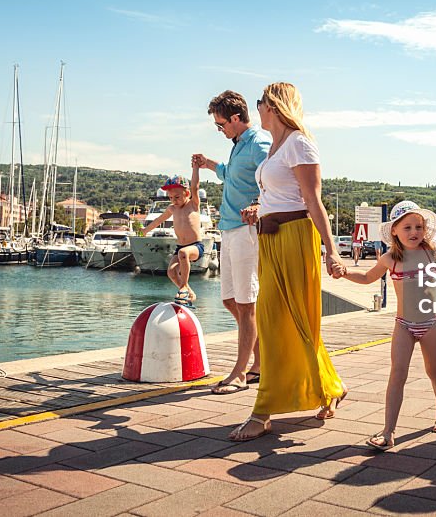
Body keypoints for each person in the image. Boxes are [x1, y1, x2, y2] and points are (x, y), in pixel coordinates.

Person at [228, 82, 347, 442]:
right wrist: (258, 210)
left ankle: (263, 411)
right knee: (280, 319)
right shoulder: (276, 148)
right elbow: (281, 194)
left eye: (260, 102)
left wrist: (332, 249)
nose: (257, 109)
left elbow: (313, 201)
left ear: (274, 106)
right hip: (270, 239)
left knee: (289, 320)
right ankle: (330, 386)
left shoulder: (299, 142)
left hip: (296, 239)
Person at [343, 200, 436, 451]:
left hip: (430, 323)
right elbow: (366, 277)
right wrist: (344, 273)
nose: (414, 232)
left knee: (434, 371)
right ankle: (388, 431)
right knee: (397, 375)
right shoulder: (389, 259)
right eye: (407, 227)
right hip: (403, 325)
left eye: (418, 227)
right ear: (394, 230)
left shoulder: (430, 254)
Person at [193, 90, 271, 395]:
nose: (220, 129)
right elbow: (234, 175)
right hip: (229, 228)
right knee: (229, 300)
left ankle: (241, 372)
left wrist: (260, 204)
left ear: (236, 119)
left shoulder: (259, 143)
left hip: (246, 230)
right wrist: (210, 164)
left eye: (221, 124)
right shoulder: (238, 146)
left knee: (246, 303)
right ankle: (262, 359)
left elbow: (276, 176)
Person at [140, 167, 204, 306]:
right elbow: (158, 221)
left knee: (183, 253)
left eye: (177, 197)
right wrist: (145, 230)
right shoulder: (172, 209)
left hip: (195, 247)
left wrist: (195, 168)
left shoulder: (193, 204)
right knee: (171, 272)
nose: (174, 200)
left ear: (187, 193)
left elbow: (195, 185)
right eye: (170, 198)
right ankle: (190, 292)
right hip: (181, 247)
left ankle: (184, 287)